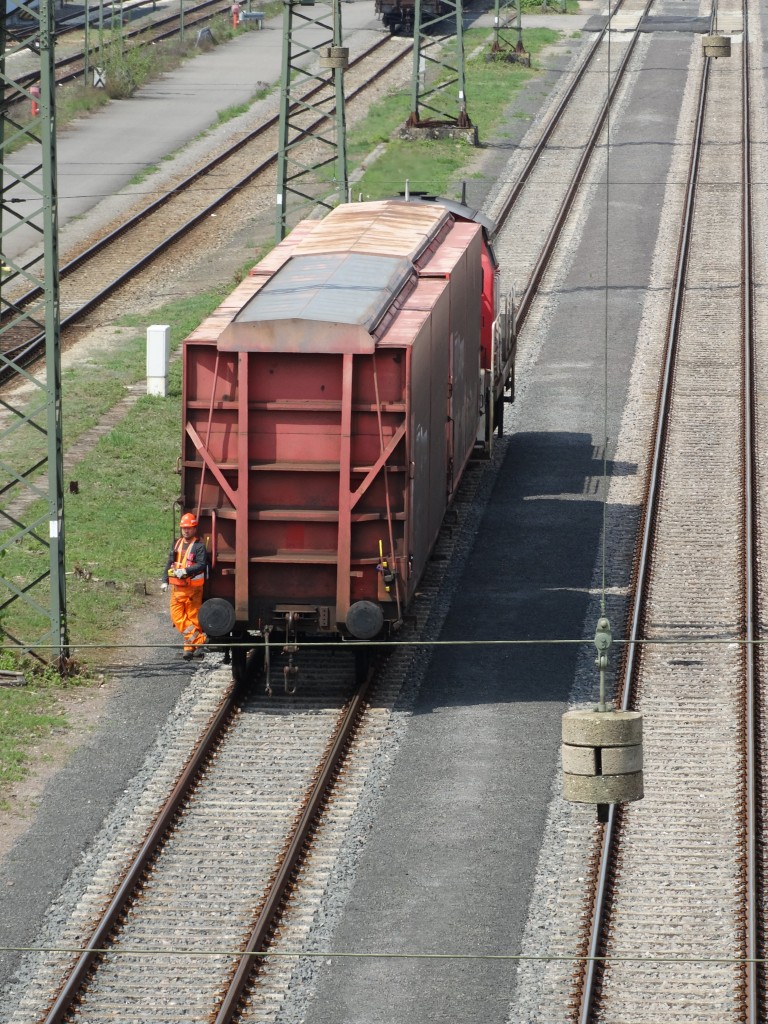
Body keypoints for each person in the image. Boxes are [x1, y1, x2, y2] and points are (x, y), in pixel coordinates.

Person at [162, 512, 208, 660]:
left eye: (189, 528)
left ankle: (189, 648)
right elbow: (170, 562)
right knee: (177, 617)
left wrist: (185, 571)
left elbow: (201, 565)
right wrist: (164, 580)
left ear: (194, 528)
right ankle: (199, 641)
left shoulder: (199, 546)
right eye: (184, 528)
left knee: (193, 618)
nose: (186, 530)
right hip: (177, 588)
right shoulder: (176, 543)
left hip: (193, 589)